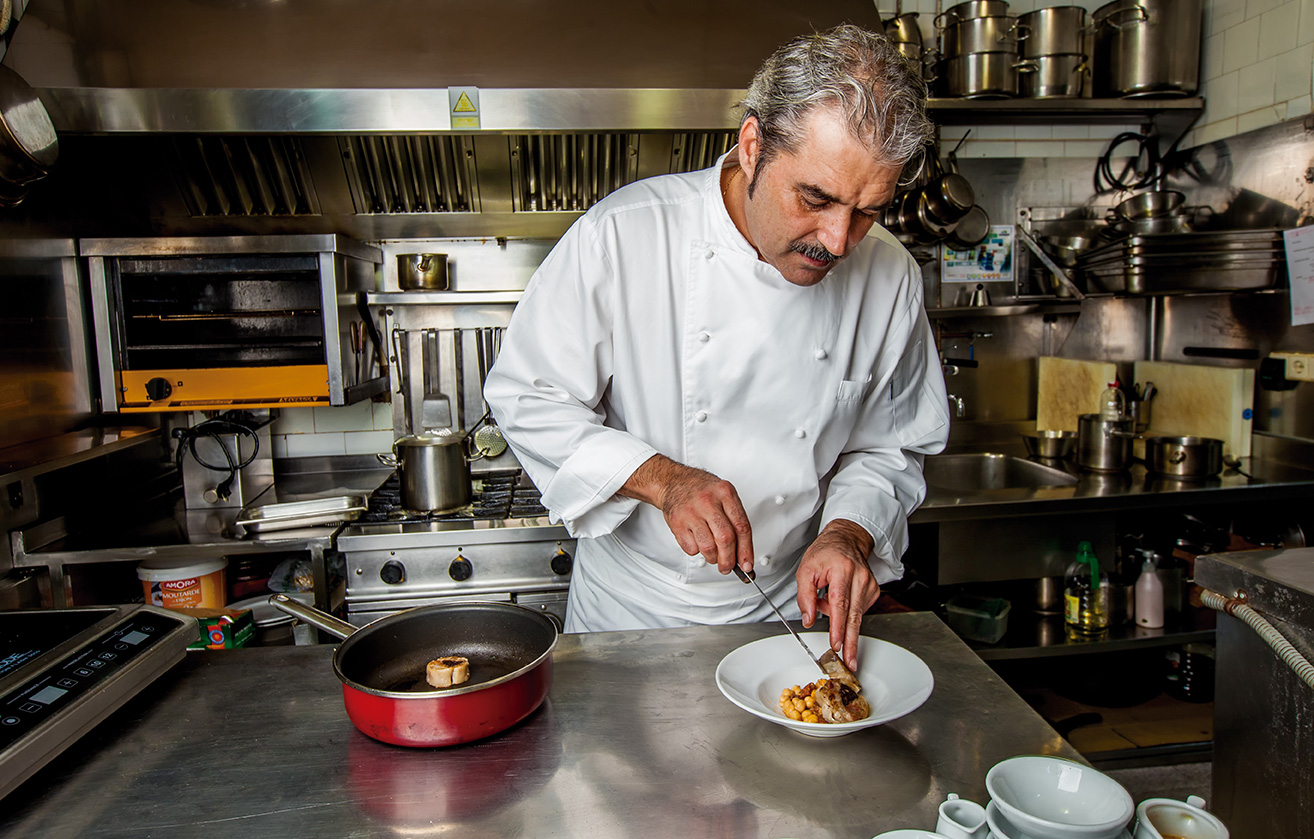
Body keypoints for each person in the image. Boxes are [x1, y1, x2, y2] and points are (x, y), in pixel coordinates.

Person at [484, 24, 949, 669]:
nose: (839, 241)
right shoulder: (626, 235)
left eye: (868, 211)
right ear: (753, 146)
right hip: (632, 613)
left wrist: (848, 533)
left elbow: (888, 447)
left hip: (788, 613)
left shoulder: (890, 276)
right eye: (815, 198)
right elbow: (528, 396)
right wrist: (662, 480)